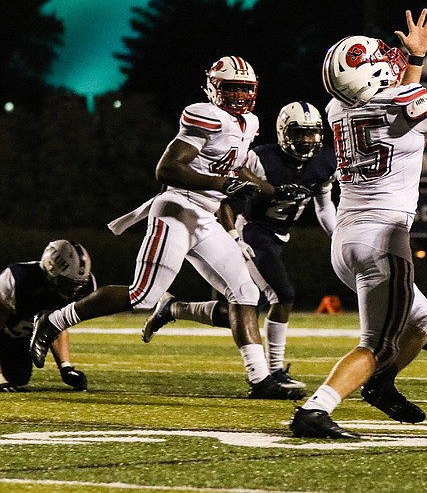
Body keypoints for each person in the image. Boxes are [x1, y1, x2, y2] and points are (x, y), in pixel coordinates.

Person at [288, 8, 427, 439]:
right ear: (369, 74)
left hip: (346, 238)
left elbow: (397, 107)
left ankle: (380, 383)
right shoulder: (403, 103)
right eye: (381, 59)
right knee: (378, 343)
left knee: (422, 324)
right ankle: (316, 409)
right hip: (383, 239)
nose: (391, 60)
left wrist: (415, 56)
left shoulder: (335, 108)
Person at [30, 56, 281, 398]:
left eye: (244, 88)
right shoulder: (205, 115)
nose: (238, 96)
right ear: (212, 88)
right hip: (177, 208)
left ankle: (260, 379)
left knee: (246, 292)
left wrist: (275, 192)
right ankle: (52, 322)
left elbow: (239, 171)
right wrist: (222, 185)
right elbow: (167, 169)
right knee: (143, 295)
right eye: (230, 87)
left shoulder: (248, 123)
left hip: (205, 216)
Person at [141, 100, 337, 400]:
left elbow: (324, 205)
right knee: (281, 295)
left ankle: (174, 308)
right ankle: (272, 372)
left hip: (279, 235)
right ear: (285, 132)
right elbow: (227, 197)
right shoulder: (260, 158)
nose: (307, 141)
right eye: (300, 133)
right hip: (254, 231)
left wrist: (336, 236)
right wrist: (234, 235)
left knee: (245, 309)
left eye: (312, 134)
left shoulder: (324, 162)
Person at [1, 240, 95, 392]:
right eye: (68, 284)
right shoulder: (19, 279)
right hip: (3, 332)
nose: (73, 291)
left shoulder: (82, 287)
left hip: (18, 337)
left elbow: (56, 326)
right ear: (51, 272)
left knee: (19, 377)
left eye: (77, 285)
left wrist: (66, 367)